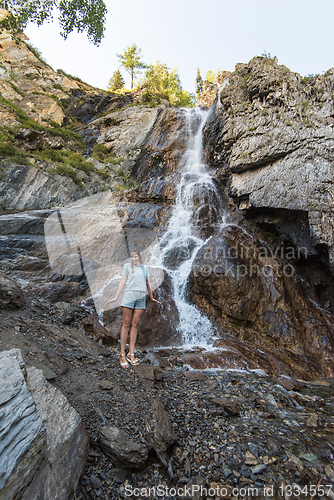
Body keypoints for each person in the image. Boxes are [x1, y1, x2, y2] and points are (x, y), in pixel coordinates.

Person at [105, 249, 161, 368]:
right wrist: (116, 297)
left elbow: (148, 283)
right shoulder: (127, 266)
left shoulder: (144, 268)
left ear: (139, 257)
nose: (133, 259)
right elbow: (122, 281)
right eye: (131, 257)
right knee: (126, 323)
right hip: (129, 296)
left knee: (135, 324)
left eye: (135, 257)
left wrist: (151, 297)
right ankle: (122, 354)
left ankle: (131, 353)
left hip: (141, 297)